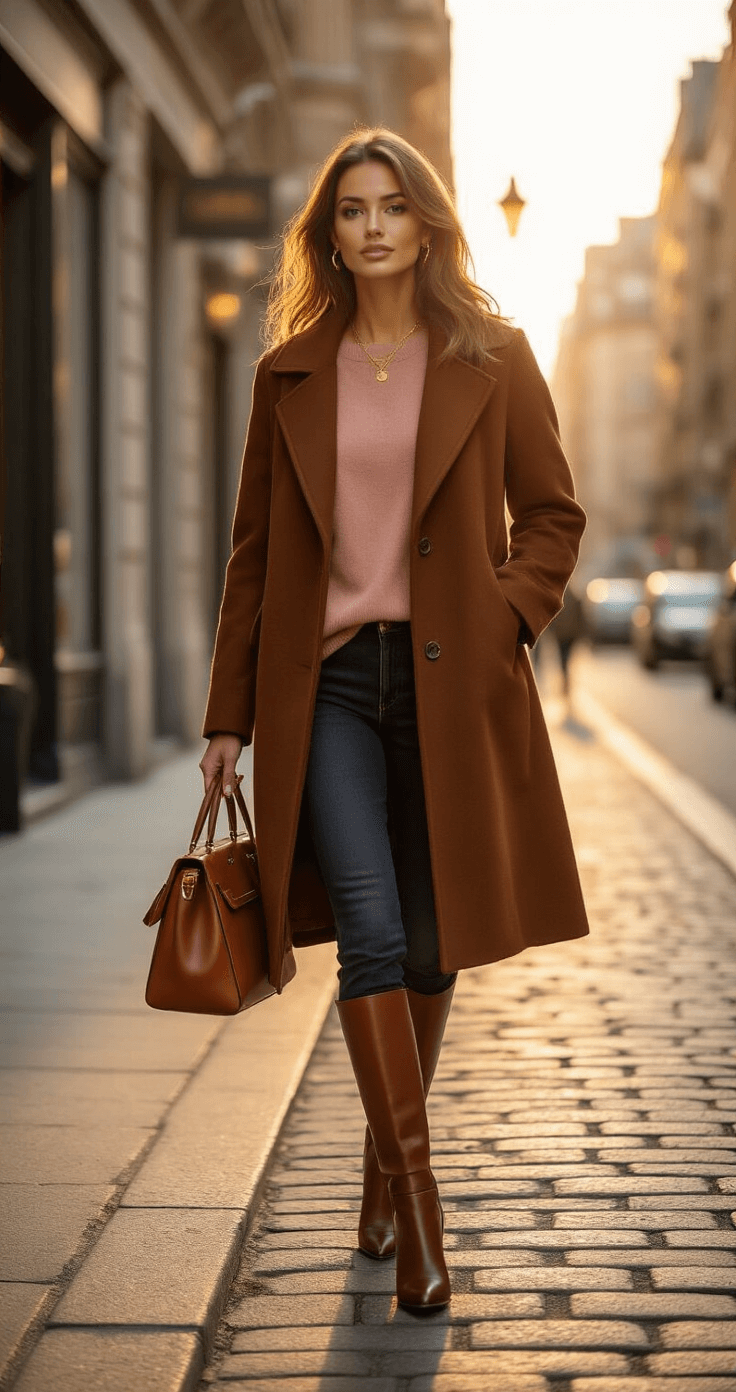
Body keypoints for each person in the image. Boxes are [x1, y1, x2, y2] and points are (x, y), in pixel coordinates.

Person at [199, 128, 589, 1313]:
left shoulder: (493, 353)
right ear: (330, 234)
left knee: (429, 944)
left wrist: (505, 623)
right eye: (351, 211)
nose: (371, 227)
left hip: (448, 687)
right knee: (367, 931)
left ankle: (380, 1167)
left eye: (391, 208)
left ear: (425, 224)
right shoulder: (288, 374)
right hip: (325, 695)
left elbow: (555, 515)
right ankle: (422, 1219)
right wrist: (226, 719)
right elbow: (254, 559)